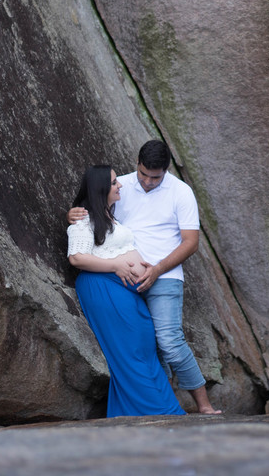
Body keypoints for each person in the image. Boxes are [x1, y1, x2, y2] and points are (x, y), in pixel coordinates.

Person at [69, 140, 221, 415]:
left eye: (156, 177)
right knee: (147, 346)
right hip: (125, 283)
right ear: (137, 164)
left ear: (166, 170)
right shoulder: (121, 185)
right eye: (143, 174)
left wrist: (158, 269)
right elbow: (92, 215)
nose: (148, 182)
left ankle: (204, 405)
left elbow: (191, 242)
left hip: (164, 277)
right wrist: (74, 214)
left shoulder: (181, 192)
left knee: (170, 342)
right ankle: (160, 407)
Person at [67, 165, 185, 417]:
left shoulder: (110, 215)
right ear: (101, 189)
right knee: (129, 352)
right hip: (104, 288)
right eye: (113, 182)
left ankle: (140, 412)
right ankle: (161, 413)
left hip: (125, 290)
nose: (119, 184)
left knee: (144, 345)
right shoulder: (83, 221)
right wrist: (115, 266)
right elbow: (77, 258)